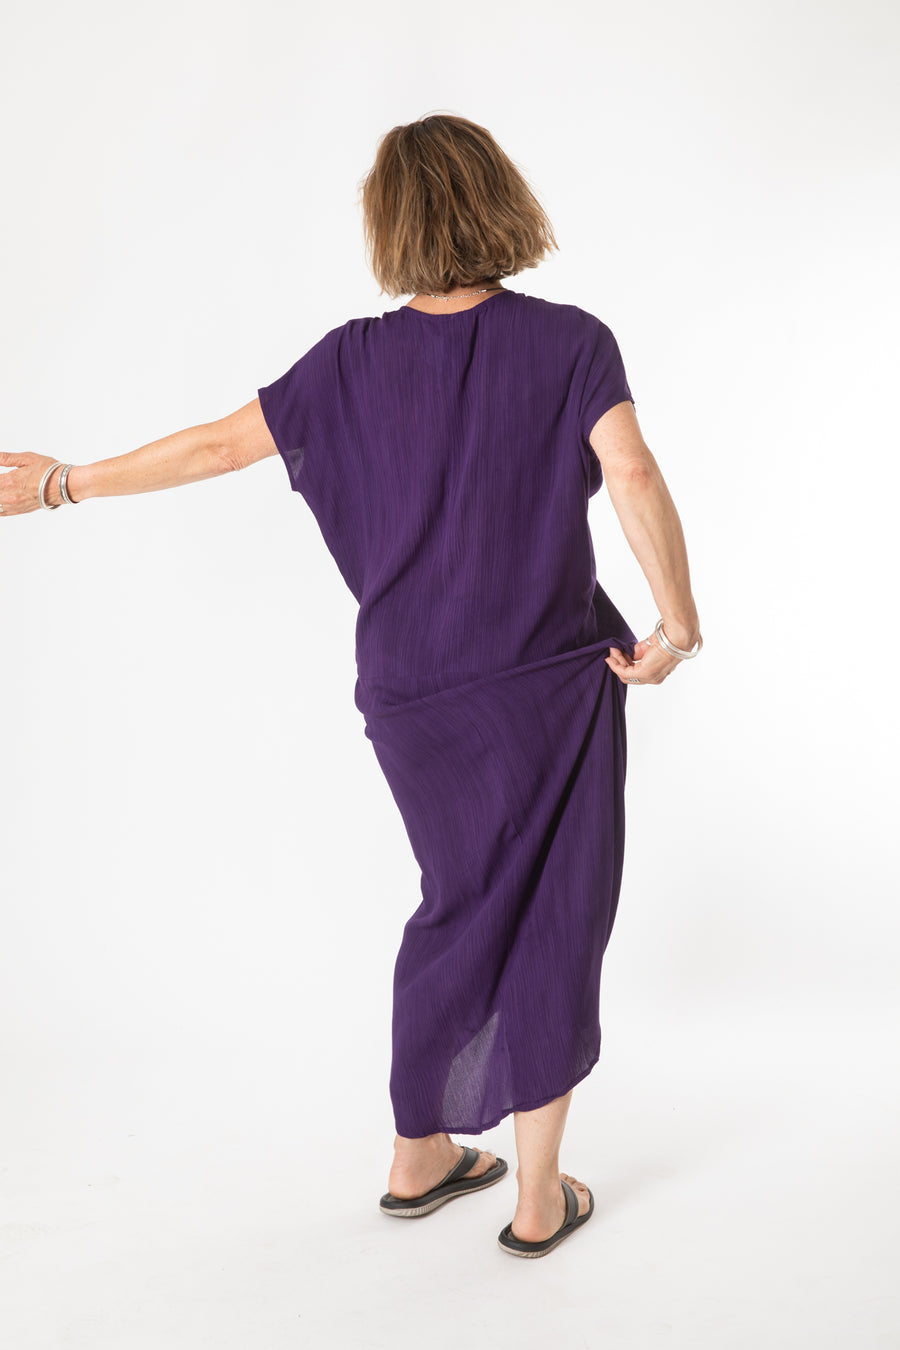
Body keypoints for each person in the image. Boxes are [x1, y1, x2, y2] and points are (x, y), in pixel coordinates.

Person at [0, 113, 702, 1259]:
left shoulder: (346, 364)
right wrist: (678, 626)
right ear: (502, 200)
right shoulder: (572, 344)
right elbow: (630, 469)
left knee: (456, 904)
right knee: (552, 912)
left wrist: (63, 483)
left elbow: (215, 448)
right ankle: (536, 1199)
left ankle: (420, 1155)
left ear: (391, 224)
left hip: (411, 696)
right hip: (548, 689)